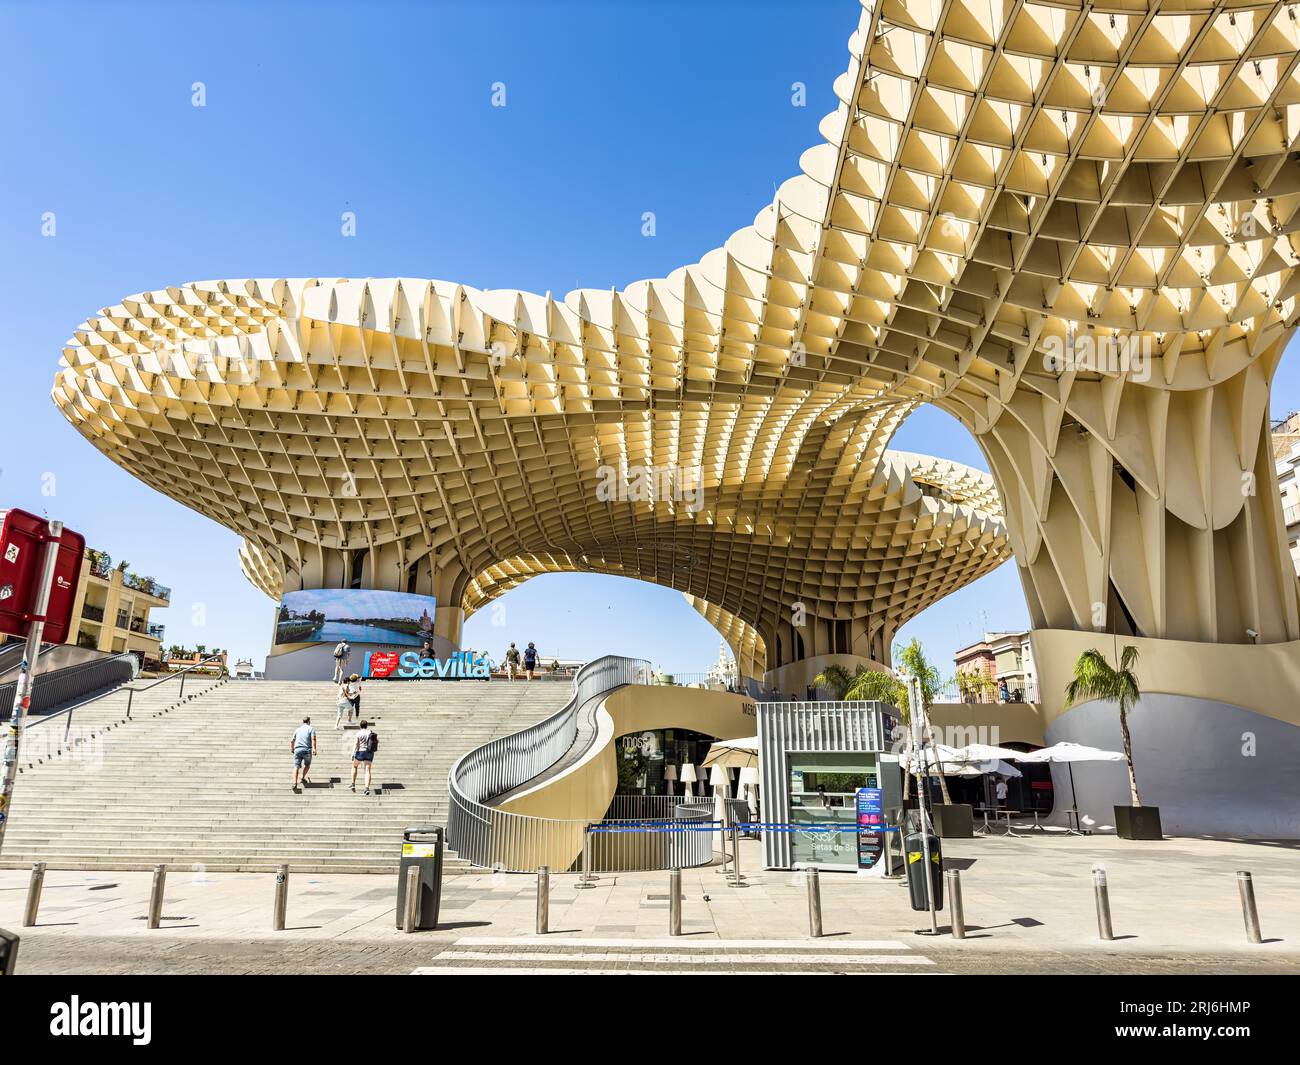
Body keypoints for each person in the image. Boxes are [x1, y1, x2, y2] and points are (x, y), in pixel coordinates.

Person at [350, 720, 379, 795]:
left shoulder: (359, 733)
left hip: (360, 752)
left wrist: (353, 753)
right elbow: (376, 741)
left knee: (354, 766)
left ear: (360, 726)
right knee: (367, 770)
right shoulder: (370, 732)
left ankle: (353, 783)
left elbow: (356, 743)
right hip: (369, 752)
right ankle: (366, 788)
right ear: (367, 725)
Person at [290, 716, 317, 792]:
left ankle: (295, 783)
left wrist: (292, 748)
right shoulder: (311, 728)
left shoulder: (297, 729)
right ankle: (302, 778)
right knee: (307, 765)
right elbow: (313, 739)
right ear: (309, 721)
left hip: (297, 749)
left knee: (296, 766)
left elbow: (292, 740)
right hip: (307, 749)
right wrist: (314, 749)